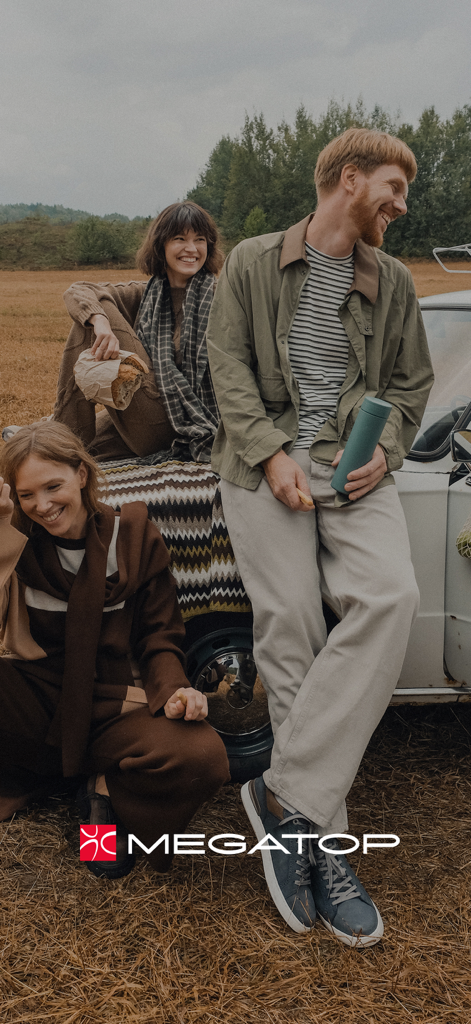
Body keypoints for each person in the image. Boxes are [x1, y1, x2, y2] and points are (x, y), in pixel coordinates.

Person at [206, 128, 434, 946]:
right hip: (259, 463)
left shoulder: (394, 281)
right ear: (347, 178)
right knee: (293, 625)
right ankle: (324, 845)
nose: (400, 208)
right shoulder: (254, 262)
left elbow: (410, 383)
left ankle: (285, 802)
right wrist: (270, 458)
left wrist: (388, 450)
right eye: (393, 190)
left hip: (353, 466)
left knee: (391, 595)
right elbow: (225, 363)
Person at [0, 421, 229, 877]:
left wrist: (175, 690)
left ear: (81, 475)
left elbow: (159, 636)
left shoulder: (135, 537)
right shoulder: (16, 543)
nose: (42, 505)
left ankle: (105, 789)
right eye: (27, 495)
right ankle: (29, 776)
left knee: (203, 756)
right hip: (41, 696)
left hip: (112, 702)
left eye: (53, 486)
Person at [6, 202, 224, 462]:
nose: (191, 248)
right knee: (78, 451)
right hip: (143, 419)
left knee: (65, 443)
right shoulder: (146, 294)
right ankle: (51, 435)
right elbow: (79, 290)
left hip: (186, 422)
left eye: (199, 239)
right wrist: (100, 321)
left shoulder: (221, 297)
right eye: (180, 239)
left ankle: (57, 430)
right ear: (161, 245)